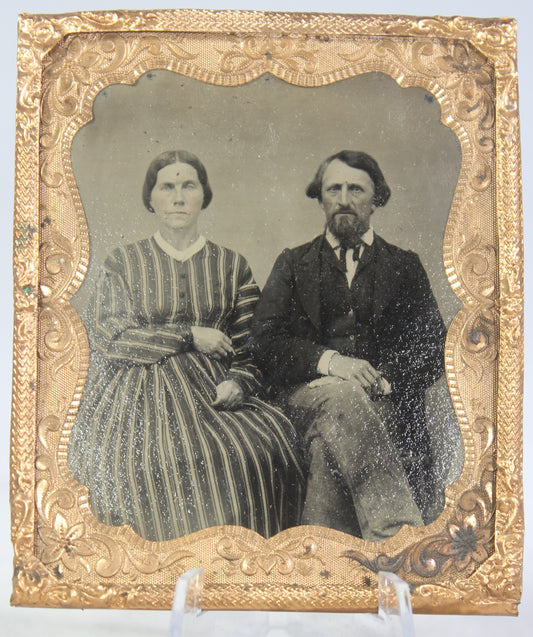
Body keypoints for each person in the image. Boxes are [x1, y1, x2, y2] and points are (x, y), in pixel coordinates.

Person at [68, 150, 304, 542]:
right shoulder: (123, 262)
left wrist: (240, 383)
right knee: (139, 464)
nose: (178, 198)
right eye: (167, 187)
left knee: (259, 452)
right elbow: (111, 338)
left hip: (215, 394)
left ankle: (242, 567)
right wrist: (189, 336)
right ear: (151, 199)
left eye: (188, 186)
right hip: (137, 396)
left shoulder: (232, 264)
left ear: (203, 196)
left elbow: (252, 345)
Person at [250, 150, 447, 542]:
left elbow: (432, 347)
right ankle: (397, 538)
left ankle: (321, 557)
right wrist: (331, 362)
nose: (343, 198)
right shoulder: (293, 263)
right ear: (320, 198)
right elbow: (264, 342)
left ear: (376, 199)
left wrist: (382, 381)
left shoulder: (404, 266)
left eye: (355, 189)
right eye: (333, 188)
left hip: (385, 406)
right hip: (303, 403)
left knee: (330, 449)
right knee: (340, 396)